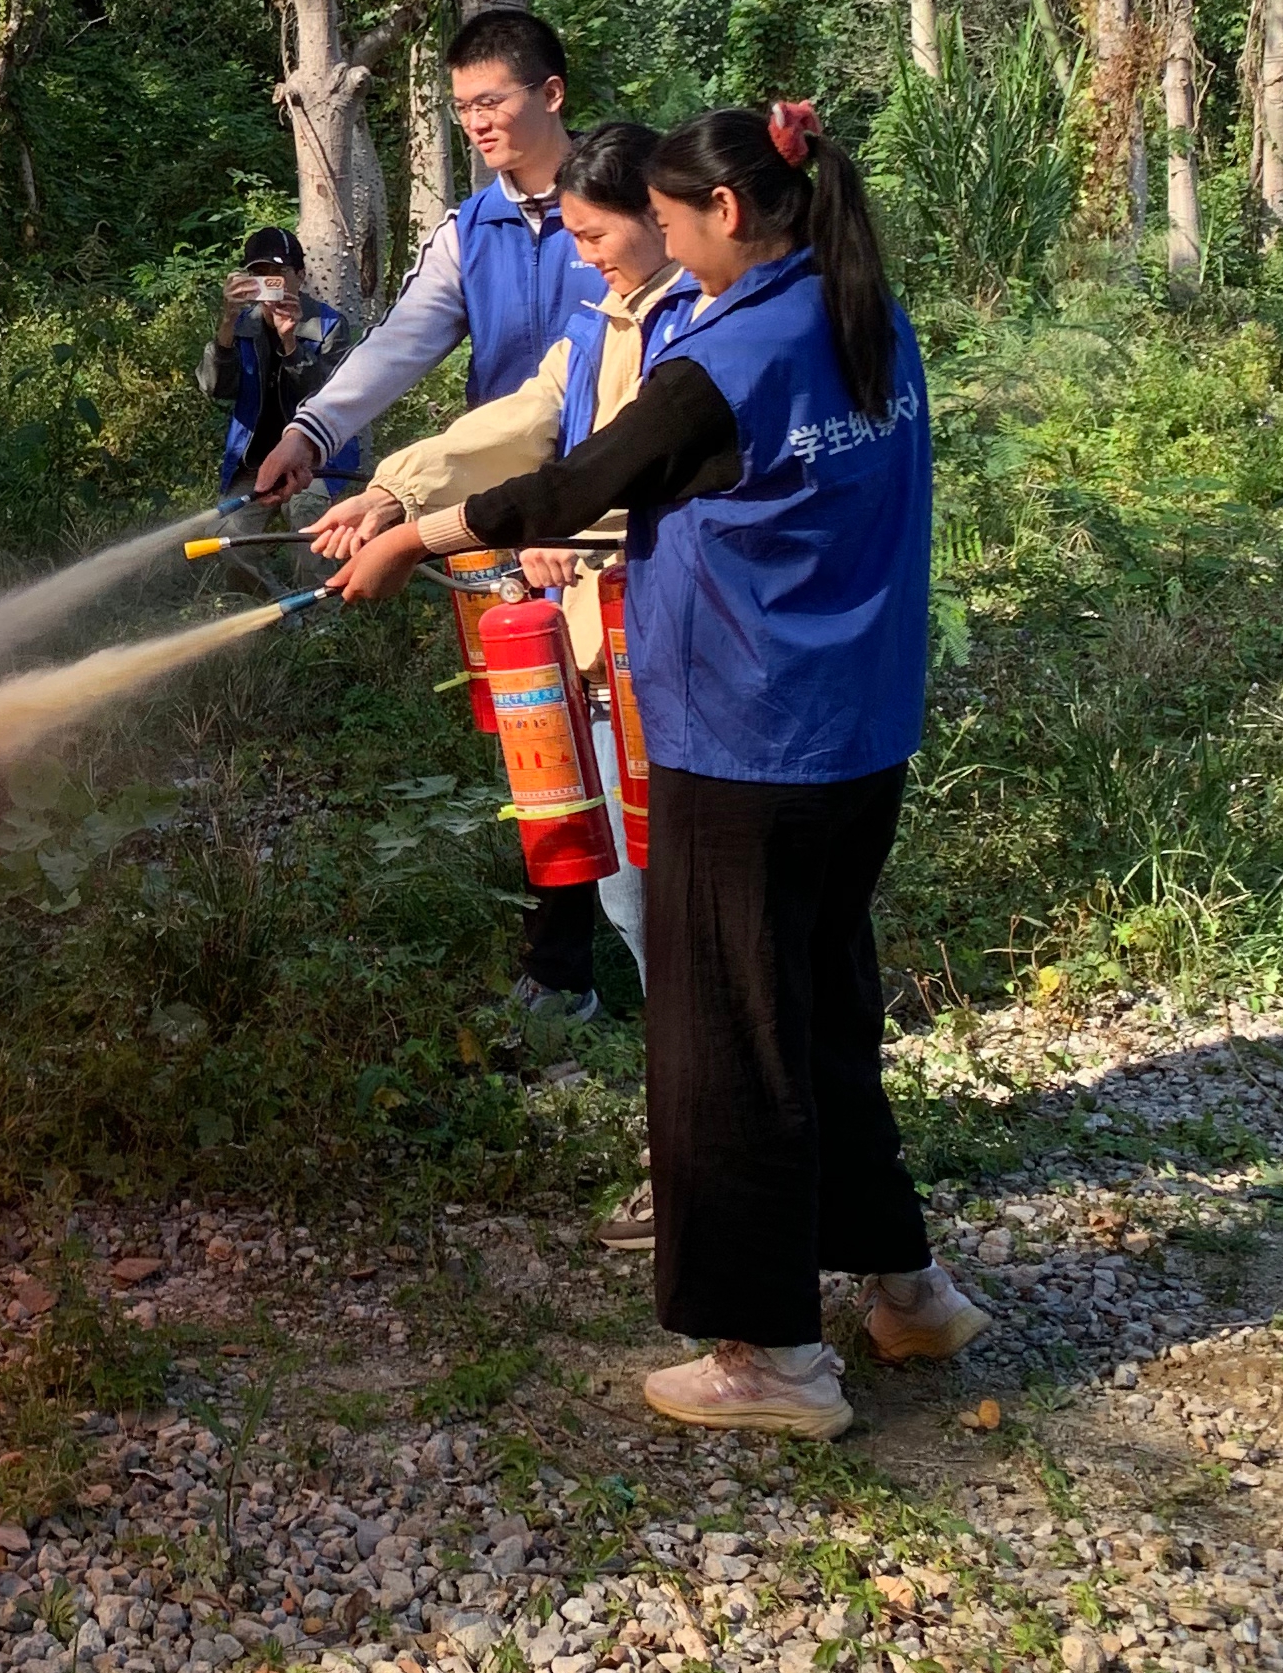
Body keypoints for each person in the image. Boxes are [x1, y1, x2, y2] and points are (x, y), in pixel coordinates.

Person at [326, 101, 989, 1439]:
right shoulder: (864, 310)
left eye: (674, 224)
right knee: (819, 1002)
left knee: (728, 1034)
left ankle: (774, 1356)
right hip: (858, 734)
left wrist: (410, 535)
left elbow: (570, 483)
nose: (666, 250)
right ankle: (909, 1288)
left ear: (726, 212)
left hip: (747, 738)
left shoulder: (727, 354)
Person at [313, 122, 690, 1028]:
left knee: (686, 886)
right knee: (635, 889)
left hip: (679, 645)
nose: (583, 256)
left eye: (594, 234)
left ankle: (718, 1063)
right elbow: (524, 420)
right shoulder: (601, 324)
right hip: (606, 643)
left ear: (661, 214)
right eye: (575, 235)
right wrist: (395, 493)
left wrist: (422, 536)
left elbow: (606, 477)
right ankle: (685, 1059)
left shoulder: (699, 328)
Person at [251, 10, 591, 506]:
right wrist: (308, 433)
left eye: (490, 103)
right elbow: (398, 343)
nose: (475, 124)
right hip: (505, 494)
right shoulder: (468, 232)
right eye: (463, 107)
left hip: (618, 486)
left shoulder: (632, 209)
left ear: (552, 94)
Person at [198, 225, 361, 508]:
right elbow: (215, 388)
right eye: (259, 274)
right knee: (226, 527)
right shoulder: (242, 324)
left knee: (304, 509)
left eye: (277, 273)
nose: (268, 282)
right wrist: (227, 321)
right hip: (254, 459)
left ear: (300, 275)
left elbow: (326, 399)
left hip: (315, 457)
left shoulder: (328, 326)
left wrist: (290, 342)